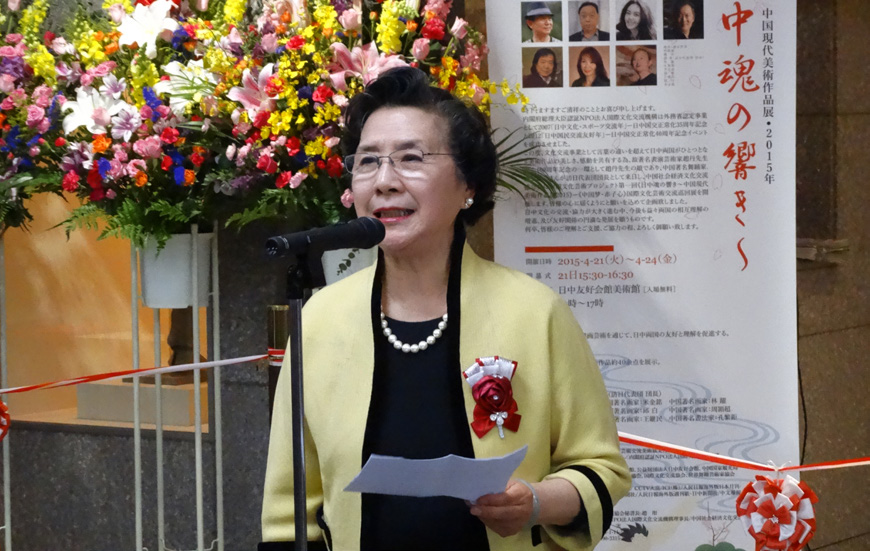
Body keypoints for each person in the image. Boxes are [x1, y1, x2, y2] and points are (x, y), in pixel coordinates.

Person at [260, 67, 630, 550]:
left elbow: (600, 468)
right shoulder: (319, 320)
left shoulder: (535, 312)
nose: (384, 181)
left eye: (411, 158)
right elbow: (288, 514)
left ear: (467, 185)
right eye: (368, 161)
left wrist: (536, 502)